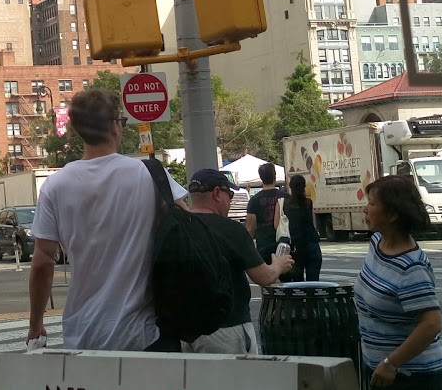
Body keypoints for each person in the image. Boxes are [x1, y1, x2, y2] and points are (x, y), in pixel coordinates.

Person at [26, 87, 188, 353]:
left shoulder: (55, 186)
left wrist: (36, 323)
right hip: (145, 332)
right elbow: (185, 223)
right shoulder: (147, 174)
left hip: (83, 333)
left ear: (77, 131)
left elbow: (43, 261)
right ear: (115, 126)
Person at [355, 175, 442, 390]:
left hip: (411, 380)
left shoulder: (412, 266)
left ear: (392, 214)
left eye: (371, 204)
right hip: (380, 374)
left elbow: (431, 323)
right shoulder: (377, 242)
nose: (365, 209)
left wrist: (392, 363)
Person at [181, 169, 293, 354]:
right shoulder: (231, 230)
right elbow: (264, 277)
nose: (231, 200)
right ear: (217, 193)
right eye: (230, 194)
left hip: (184, 329)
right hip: (226, 327)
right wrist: (279, 265)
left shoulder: (177, 227)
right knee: (237, 382)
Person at [283, 174, 322, 282]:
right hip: (311, 244)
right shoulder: (308, 203)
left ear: (290, 186)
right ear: (304, 187)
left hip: (295, 246)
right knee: (313, 283)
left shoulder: (286, 204)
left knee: (297, 283)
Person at [247, 162, 286, 265]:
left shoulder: (254, 200)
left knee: (268, 279)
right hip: (283, 244)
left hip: (263, 244)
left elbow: (250, 228)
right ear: (275, 175)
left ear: (261, 177)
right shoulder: (285, 197)